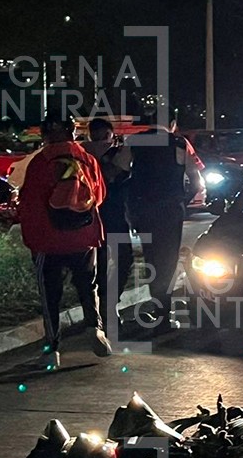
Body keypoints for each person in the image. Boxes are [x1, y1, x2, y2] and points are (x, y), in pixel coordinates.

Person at [17, 111, 112, 368]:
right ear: (73, 132)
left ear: (45, 134)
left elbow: (29, 204)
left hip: (49, 240)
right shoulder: (88, 159)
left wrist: (33, 239)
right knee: (87, 285)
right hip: (84, 237)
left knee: (50, 296)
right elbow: (100, 195)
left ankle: (52, 350)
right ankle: (95, 329)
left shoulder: (39, 162)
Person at [127, 119, 202, 333]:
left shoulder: (135, 142)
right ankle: (163, 316)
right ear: (173, 123)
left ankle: (158, 310)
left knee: (151, 259)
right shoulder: (179, 144)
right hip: (170, 213)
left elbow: (120, 170)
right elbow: (195, 180)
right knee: (167, 262)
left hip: (143, 211)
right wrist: (182, 201)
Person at [82, 118, 134, 330]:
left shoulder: (81, 154)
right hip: (115, 217)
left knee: (95, 264)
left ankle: (97, 309)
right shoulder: (118, 154)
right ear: (109, 134)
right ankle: (109, 305)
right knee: (122, 260)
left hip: (87, 218)